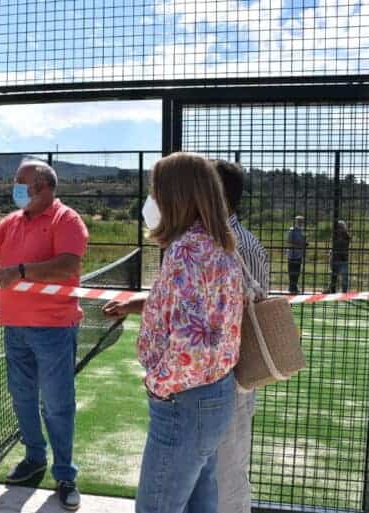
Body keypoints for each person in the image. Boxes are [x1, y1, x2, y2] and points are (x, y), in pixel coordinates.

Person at [103, 152, 244, 513]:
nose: (153, 199)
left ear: (175, 196)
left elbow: (191, 344)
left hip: (185, 400)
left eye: (157, 190)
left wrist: (159, 385)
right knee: (201, 499)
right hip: (215, 392)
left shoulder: (185, 252)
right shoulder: (220, 244)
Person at [0, 159, 88, 511]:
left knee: (58, 404)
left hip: (54, 328)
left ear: (45, 188)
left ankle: (65, 474)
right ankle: (35, 457)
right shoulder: (14, 221)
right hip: (14, 325)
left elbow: (69, 265)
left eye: (22, 183)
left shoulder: (67, 220)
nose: (15, 188)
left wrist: (21, 271)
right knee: (21, 398)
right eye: (16, 183)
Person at [214, 160, 270, 513]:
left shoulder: (241, 245)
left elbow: (256, 311)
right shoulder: (216, 241)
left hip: (234, 375)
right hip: (218, 373)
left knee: (228, 471)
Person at [329, 220, 351, 293]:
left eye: (341, 227)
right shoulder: (334, 235)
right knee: (334, 275)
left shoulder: (346, 235)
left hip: (343, 259)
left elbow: (343, 244)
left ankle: (344, 291)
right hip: (335, 258)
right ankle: (332, 290)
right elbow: (333, 246)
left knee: (344, 276)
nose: (340, 228)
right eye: (339, 227)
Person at [287, 215, 308, 294]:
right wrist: (300, 245)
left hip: (299, 254)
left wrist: (305, 244)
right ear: (296, 221)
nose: (301, 223)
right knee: (292, 271)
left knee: (297, 272)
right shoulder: (292, 230)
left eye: (301, 221)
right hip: (292, 254)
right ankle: (291, 287)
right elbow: (289, 242)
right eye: (299, 221)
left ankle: (294, 287)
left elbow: (303, 241)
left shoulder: (302, 230)